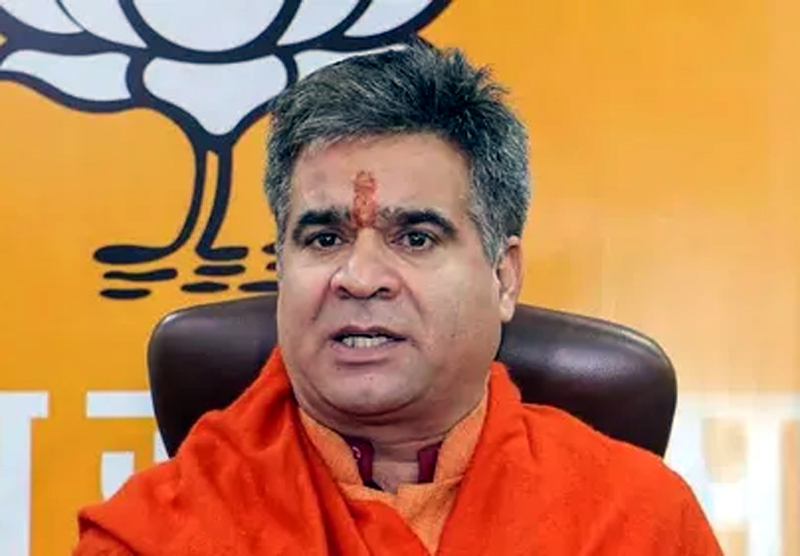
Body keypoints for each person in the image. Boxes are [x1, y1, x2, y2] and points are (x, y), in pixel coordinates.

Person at [74, 42, 722, 555]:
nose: (359, 277)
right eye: (324, 238)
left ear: (503, 277)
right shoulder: (156, 534)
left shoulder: (640, 522)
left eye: (415, 237)